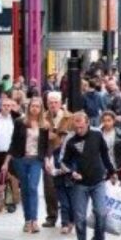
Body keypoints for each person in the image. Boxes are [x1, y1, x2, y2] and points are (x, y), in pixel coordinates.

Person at [61, 112, 117, 240]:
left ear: (87, 124)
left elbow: (105, 155)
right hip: (80, 184)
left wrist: (112, 172)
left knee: (101, 213)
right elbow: (64, 162)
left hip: (98, 181)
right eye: (76, 127)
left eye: (81, 127)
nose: (79, 130)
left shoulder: (97, 135)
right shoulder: (71, 141)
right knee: (80, 217)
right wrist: (72, 172)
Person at [6, 96, 49, 233]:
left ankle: (35, 220)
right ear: (29, 107)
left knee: (32, 187)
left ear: (41, 109)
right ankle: (27, 220)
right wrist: (7, 161)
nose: (35, 109)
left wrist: (47, 159)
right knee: (24, 189)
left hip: (36, 159)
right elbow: (13, 142)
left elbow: (46, 145)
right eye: (33, 106)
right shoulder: (20, 122)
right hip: (21, 159)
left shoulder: (45, 125)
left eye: (37, 106)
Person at [43, 91, 74, 228]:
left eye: (56, 102)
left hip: (66, 158)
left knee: (67, 188)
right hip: (49, 156)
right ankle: (51, 216)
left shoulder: (70, 117)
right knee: (49, 188)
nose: (53, 105)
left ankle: (67, 219)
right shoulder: (42, 118)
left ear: (61, 103)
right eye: (50, 102)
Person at [100, 110, 121, 186]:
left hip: (117, 167)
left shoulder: (120, 134)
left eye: (109, 120)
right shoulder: (98, 134)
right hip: (102, 169)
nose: (106, 123)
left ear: (113, 121)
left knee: (118, 192)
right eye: (104, 121)